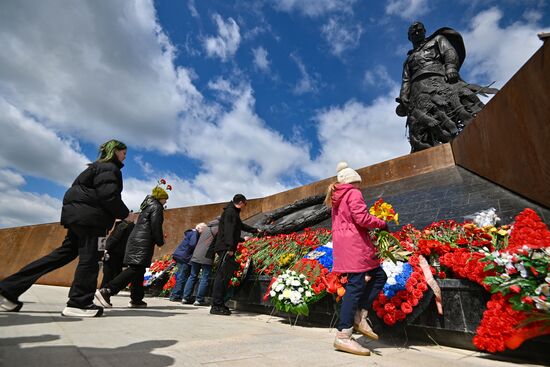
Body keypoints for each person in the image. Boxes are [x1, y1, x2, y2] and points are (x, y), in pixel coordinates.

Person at [0, 140, 129, 317]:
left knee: (59, 256)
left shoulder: (94, 168)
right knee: (91, 260)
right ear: (115, 152)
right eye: (123, 153)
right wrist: (126, 215)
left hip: (78, 218)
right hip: (92, 221)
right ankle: (79, 302)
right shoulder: (110, 168)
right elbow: (109, 196)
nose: (124, 157)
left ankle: (7, 290)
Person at [396, 22, 495, 152]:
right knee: (421, 124)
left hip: (439, 80)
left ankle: (480, 133)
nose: (416, 33)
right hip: (418, 90)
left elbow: (449, 51)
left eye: (419, 30)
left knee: (457, 103)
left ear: (424, 31)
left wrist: (451, 67)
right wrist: (403, 96)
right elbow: (406, 80)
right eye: (413, 33)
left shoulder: (437, 40)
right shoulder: (408, 60)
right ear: (409, 37)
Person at [325, 162, 388, 356]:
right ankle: (343, 336)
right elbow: (361, 218)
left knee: (377, 276)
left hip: (346, 246)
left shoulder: (337, 197)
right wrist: (381, 223)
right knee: (355, 287)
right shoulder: (352, 193)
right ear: (354, 181)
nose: (360, 186)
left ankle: (360, 314)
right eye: (358, 183)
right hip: (355, 246)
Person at [95, 184, 168, 309]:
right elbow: (156, 226)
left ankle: (136, 299)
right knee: (135, 268)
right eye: (165, 199)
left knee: (138, 270)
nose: (166, 201)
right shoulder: (156, 207)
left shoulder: (146, 207)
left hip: (136, 241)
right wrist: (160, 241)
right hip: (143, 243)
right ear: (160, 198)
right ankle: (107, 291)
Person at [209, 194, 260, 316]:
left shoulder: (232, 212)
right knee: (222, 276)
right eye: (245, 204)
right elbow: (229, 231)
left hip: (225, 247)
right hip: (226, 248)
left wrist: (254, 230)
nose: (245, 207)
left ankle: (219, 303)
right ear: (241, 202)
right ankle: (216, 305)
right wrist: (230, 248)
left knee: (224, 276)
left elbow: (239, 227)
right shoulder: (231, 212)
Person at [183, 220, 219, 306]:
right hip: (206, 256)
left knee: (192, 276)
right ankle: (199, 300)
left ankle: (185, 297)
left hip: (196, 255)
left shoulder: (206, 229)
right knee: (205, 277)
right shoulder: (217, 229)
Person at [169, 222, 207, 303]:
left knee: (180, 275)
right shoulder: (194, 233)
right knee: (182, 276)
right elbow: (192, 244)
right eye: (204, 230)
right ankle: (176, 295)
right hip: (185, 257)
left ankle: (176, 294)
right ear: (200, 229)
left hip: (181, 255)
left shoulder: (191, 232)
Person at [101, 212, 138, 288]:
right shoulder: (132, 227)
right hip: (122, 253)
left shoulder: (122, 225)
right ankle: (110, 288)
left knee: (108, 271)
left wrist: (106, 249)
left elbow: (114, 238)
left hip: (113, 252)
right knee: (117, 272)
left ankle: (105, 287)